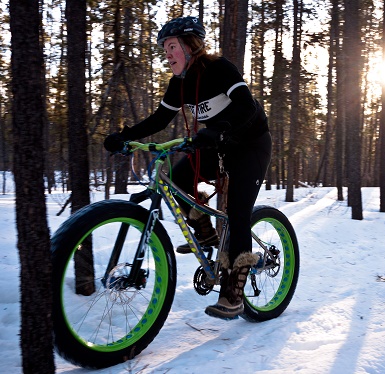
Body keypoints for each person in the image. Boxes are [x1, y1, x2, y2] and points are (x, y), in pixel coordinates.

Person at [104, 16, 272, 320]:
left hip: (251, 146)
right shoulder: (178, 85)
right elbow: (158, 120)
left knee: (237, 214)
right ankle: (205, 233)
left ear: (190, 45)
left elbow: (246, 106)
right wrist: (125, 136)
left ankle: (233, 294)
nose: (166, 54)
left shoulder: (219, 68)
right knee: (177, 177)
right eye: (164, 49)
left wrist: (218, 128)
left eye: (171, 47)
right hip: (217, 144)